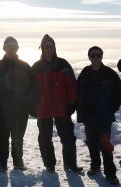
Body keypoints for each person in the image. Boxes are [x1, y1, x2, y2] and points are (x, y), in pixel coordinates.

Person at [31, 34, 82, 173]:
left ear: (54, 48)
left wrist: (72, 103)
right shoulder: (36, 67)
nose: (49, 49)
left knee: (68, 138)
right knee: (45, 139)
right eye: (46, 47)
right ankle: (49, 164)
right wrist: (31, 106)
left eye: (51, 46)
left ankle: (70, 164)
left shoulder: (63, 64)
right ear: (42, 48)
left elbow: (72, 85)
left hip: (62, 108)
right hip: (43, 109)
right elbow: (30, 88)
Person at [0, 36, 34, 172]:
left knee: (18, 137)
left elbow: (32, 88)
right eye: (9, 47)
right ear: (4, 49)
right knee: (2, 138)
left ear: (17, 49)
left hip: (20, 110)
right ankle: (2, 163)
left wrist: (28, 105)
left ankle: (18, 162)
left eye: (14, 47)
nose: (11, 50)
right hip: (0, 111)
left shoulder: (25, 66)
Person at [77, 46, 121, 184]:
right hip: (89, 116)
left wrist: (111, 110)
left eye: (98, 55)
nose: (95, 58)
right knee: (92, 142)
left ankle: (110, 173)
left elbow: (118, 94)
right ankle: (95, 166)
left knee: (105, 144)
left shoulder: (109, 74)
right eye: (93, 56)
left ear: (102, 56)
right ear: (89, 57)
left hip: (104, 116)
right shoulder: (85, 73)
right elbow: (77, 91)